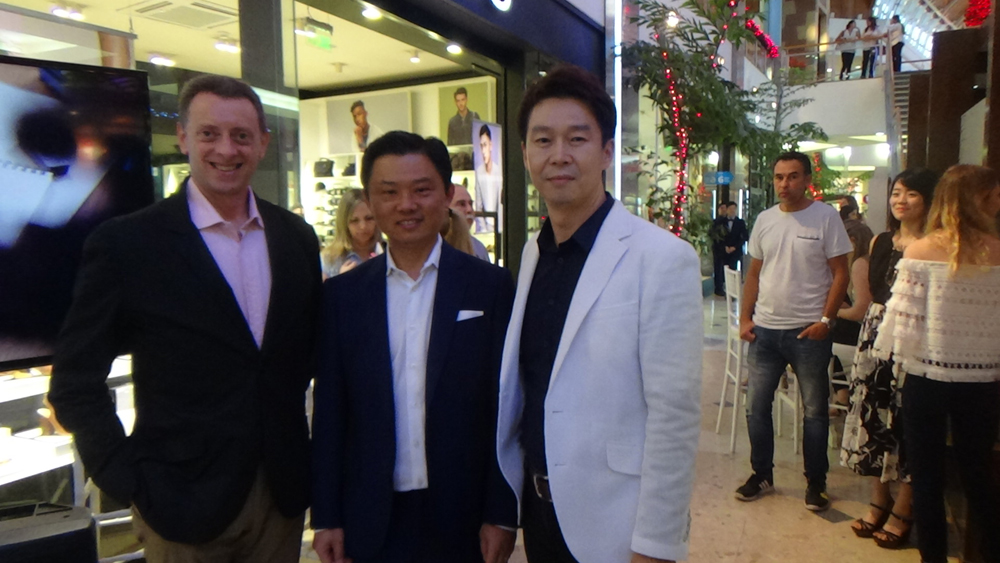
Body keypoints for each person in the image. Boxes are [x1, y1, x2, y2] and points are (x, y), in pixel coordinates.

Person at [47, 75, 322, 562]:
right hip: (178, 503)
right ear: (183, 138)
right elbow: (74, 381)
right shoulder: (127, 244)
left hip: (280, 498)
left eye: (241, 135)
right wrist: (123, 477)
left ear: (262, 144)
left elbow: (303, 358)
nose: (226, 149)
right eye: (209, 133)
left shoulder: (295, 238)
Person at [496, 65, 703, 563]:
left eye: (577, 139)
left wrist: (656, 544)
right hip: (539, 516)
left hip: (616, 526)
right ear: (525, 154)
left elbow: (674, 418)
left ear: (607, 151)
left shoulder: (662, 258)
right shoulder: (533, 254)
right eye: (543, 140)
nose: (559, 155)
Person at [311, 131, 517, 563]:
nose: (406, 204)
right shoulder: (342, 297)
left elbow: (506, 405)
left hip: (464, 513)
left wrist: (501, 511)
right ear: (370, 200)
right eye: (389, 192)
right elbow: (331, 412)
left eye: (421, 190)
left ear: (446, 195)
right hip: (371, 512)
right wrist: (327, 516)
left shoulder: (490, 286)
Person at [875, 164, 1000, 563]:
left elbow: (904, 327)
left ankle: (933, 558)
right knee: (979, 475)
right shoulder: (997, 250)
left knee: (927, 477)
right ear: (979, 199)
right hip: (984, 380)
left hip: (927, 376)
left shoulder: (921, 251)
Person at [735, 151, 851, 511]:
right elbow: (754, 273)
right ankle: (762, 474)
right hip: (766, 331)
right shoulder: (765, 219)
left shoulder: (826, 217)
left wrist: (826, 321)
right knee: (756, 407)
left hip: (808, 332)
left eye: (793, 176)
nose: (785, 184)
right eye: (779, 177)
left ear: (807, 179)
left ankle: (816, 483)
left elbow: (841, 273)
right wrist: (745, 318)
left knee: (815, 412)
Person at [840, 168, 937, 549]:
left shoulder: (936, 244)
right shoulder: (881, 240)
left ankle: (903, 510)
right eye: (897, 192)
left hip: (916, 337)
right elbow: (872, 296)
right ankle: (878, 500)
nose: (901, 200)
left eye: (911, 194)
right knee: (874, 419)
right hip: (877, 334)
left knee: (909, 423)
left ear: (930, 200)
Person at [320, 188, 382, 278]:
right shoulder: (329, 259)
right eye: (354, 221)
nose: (363, 226)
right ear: (344, 223)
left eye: (369, 218)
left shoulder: (388, 253)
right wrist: (342, 280)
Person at [450, 182, 491, 261]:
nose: (469, 210)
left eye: (470, 204)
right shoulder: (434, 247)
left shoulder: (479, 248)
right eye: (462, 204)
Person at [474, 124, 503, 234]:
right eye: (481, 146)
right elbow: (478, 205)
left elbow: (501, 205)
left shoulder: (499, 172)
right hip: (486, 229)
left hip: (500, 226)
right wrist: (484, 230)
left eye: (485, 145)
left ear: (491, 145)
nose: (483, 151)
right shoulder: (479, 172)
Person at [722, 201, 749, 272]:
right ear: (727, 210)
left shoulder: (740, 222)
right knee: (722, 271)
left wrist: (735, 247)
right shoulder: (721, 222)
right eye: (730, 209)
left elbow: (745, 236)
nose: (732, 211)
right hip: (723, 251)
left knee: (733, 269)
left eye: (734, 209)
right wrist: (725, 246)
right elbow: (718, 236)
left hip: (736, 251)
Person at [712, 202, 729, 296]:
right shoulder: (715, 222)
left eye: (725, 208)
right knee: (718, 269)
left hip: (728, 250)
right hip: (718, 250)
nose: (723, 210)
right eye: (721, 208)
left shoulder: (728, 221)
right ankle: (718, 288)